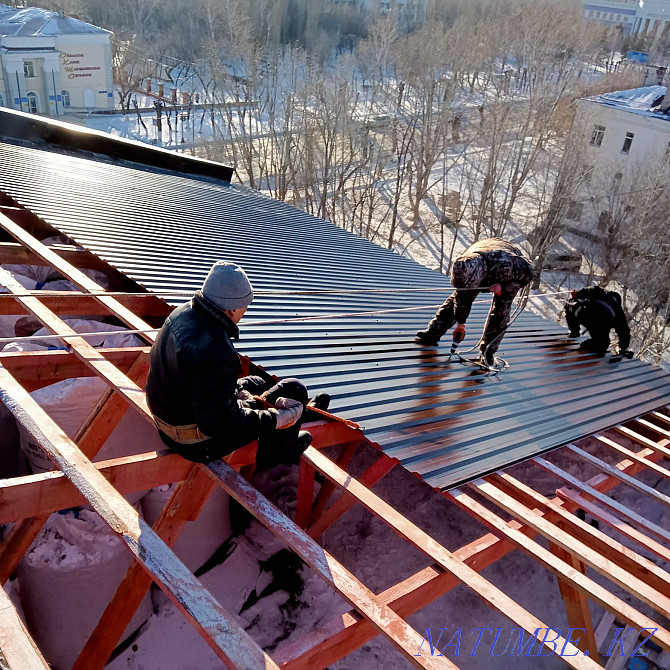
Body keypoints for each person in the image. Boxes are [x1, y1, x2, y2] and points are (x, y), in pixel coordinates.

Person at [146, 261, 324, 466]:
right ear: (231, 309)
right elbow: (219, 424)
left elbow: (199, 379)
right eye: (245, 306)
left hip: (171, 418)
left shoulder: (182, 313)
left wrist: (235, 393)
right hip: (196, 443)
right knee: (294, 389)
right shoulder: (215, 350)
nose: (245, 311)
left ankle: (286, 432)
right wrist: (274, 420)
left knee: (257, 382)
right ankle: (281, 453)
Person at [416, 238, 533, 366]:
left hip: (508, 276)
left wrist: (503, 287)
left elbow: (529, 272)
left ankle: (487, 352)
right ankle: (434, 332)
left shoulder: (505, 264)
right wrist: (461, 324)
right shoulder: (464, 264)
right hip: (485, 257)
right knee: (456, 300)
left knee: (501, 311)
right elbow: (461, 299)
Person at [565, 286, 632, 358]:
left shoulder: (602, 292)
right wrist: (623, 348)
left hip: (588, 314)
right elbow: (625, 332)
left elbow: (589, 290)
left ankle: (574, 332)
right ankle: (595, 345)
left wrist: (577, 295)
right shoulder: (618, 311)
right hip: (602, 324)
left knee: (570, 303)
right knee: (601, 344)